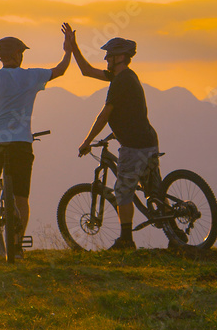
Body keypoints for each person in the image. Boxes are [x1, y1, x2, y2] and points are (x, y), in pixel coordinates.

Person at [0, 32, 72, 259]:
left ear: (0, 57)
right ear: (18, 55)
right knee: (20, 196)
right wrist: (68, 49)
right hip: (20, 143)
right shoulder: (31, 76)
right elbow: (60, 70)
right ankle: (17, 246)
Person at [63, 22, 159, 250]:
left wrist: (86, 141)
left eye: (109, 56)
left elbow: (104, 114)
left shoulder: (121, 81)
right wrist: (74, 46)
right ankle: (176, 234)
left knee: (123, 190)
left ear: (120, 57)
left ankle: (126, 240)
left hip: (134, 145)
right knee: (153, 191)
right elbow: (86, 71)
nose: (106, 59)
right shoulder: (125, 77)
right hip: (148, 140)